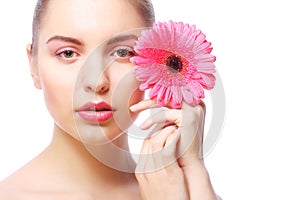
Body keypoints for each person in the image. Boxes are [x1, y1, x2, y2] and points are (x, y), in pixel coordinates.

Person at [0, 0, 220, 199]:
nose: (97, 82)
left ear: (154, 61)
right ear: (33, 67)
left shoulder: (189, 191)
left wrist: (192, 167)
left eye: (122, 53)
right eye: (68, 53)